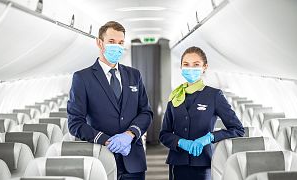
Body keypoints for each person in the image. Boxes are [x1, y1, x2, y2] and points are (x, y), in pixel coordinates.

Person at [67, 21, 153, 180]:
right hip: (100, 160)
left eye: (121, 43)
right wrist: (107, 141)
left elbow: (146, 112)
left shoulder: (134, 75)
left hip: (133, 160)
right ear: (100, 43)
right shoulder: (82, 78)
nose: (117, 47)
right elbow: (75, 123)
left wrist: (130, 134)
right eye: (112, 42)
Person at [159, 46, 244, 180]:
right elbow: (164, 134)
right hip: (177, 163)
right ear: (181, 67)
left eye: (196, 64)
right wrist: (181, 142)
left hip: (203, 163)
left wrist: (209, 138)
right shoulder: (175, 96)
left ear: (204, 67)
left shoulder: (214, 95)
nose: (190, 68)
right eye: (186, 64)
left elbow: (238, 129)